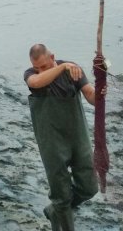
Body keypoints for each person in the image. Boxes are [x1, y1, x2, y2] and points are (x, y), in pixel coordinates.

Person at [25, 43, 99, 231]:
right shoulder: (32, 75)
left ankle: (54, 210)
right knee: (61, 196)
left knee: (89, 188)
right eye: (37, 68)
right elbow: (35, 83)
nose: (41, 70)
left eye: (44, 66)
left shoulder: (72, 70)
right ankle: (61, 212)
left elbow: (90, 95)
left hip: (77, 137)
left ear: (53, 57)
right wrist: (61, 67)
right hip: (51, 142)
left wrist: (101, 94)